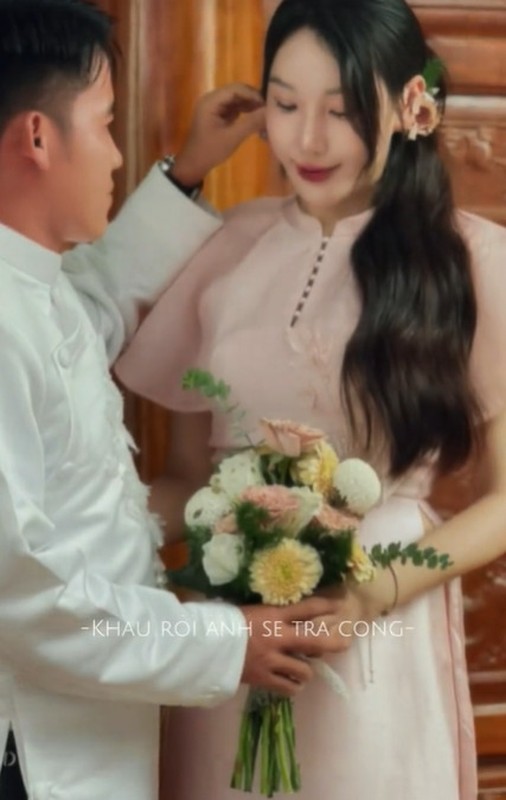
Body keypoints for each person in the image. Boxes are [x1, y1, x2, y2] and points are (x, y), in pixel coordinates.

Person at [115, 0, 506, 798]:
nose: (308, 140)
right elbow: (187, 479)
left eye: (341, 109)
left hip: (379, 616)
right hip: (233, 624)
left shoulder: (471, 259)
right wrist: (74, 547)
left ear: (410, 106)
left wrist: (376, 587)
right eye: (287, 104)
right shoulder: (226, 245)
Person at [0, 2, 347, 799]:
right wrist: (224, 643)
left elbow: (93, 304)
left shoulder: (38, 286)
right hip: (35, 757)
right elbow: (20, 593)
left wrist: (188, 171)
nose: (119, 155)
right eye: (106, 124)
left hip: (93, 731)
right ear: (39, 138)